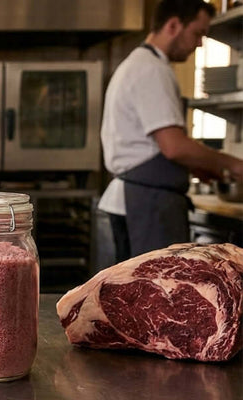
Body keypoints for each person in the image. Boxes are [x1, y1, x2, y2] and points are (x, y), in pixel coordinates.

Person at [99, 0, 243, 261]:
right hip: (149, 203)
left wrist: (196, 166)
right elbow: (174, 146)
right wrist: (234, 165)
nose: (199, 44)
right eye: (197, 33)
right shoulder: (151, 69)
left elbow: (150, 146)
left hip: (140, 199)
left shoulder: (140, 64)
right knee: (158, 285)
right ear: (174, 25)